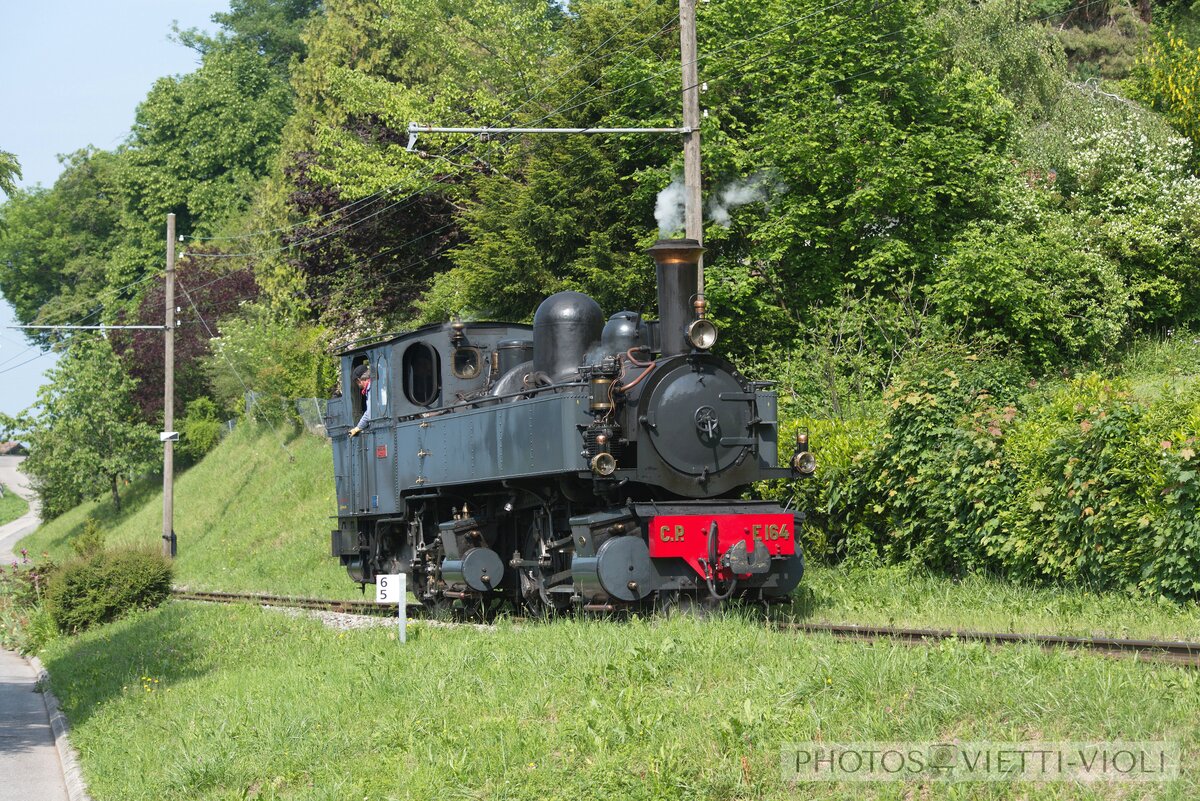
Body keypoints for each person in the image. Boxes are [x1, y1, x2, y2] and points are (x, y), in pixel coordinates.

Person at [348, 364, 370, 437]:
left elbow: (369, 412)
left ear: (359, 380)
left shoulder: (371, 388)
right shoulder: (375, 386)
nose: (358, 385)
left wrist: (357, 428)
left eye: (357, 382)